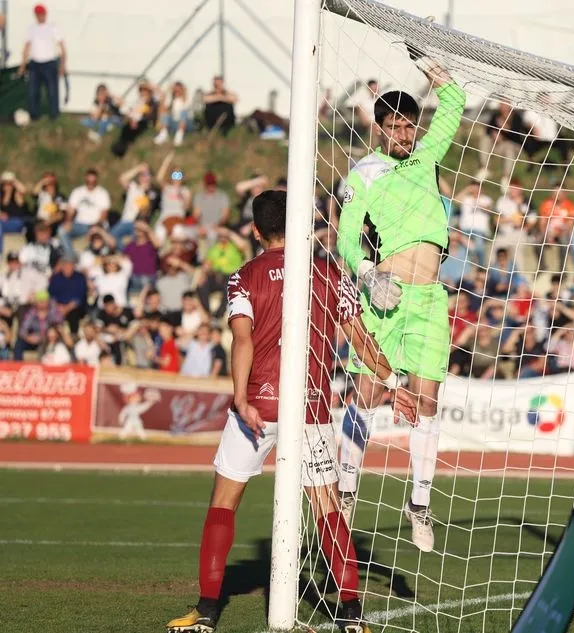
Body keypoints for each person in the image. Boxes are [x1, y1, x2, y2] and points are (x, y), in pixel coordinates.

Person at [166, 190, 415, 633]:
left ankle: (206, 611)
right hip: (310, 407)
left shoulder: (244, 276)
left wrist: (241, 398)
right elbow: (360, 338)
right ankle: (352, 614)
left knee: (224, 503)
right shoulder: (329, 274)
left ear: (255, 231)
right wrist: (395, 384)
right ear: (299, 223)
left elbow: (242, 340)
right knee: (327, 507)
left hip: (256, 406)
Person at [335, 50, 465, 552]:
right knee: (367, 396)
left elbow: (454, 101)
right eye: (395, 127)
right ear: (379, 128)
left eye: (410, 126)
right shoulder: (363, 174)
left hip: (429, 298)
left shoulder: (427, 156)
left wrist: (428, 61)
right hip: (385, 296)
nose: (404, 134)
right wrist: (367, 272)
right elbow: (347, 237)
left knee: (427, 402)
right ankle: (347, 490)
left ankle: (419, 504)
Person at [17, 3, 67, 121]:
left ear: (45, 14)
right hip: (35, 64)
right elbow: (26, 47)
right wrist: (23, 65)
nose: (40, 16)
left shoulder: (53, 28)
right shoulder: (31, 29)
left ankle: (54, 115)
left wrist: (62, 65)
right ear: (35, 15)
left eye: (42, 14)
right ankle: (34, 115)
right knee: (33, 91)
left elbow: (62, 47)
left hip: (49, 63)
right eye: (38, 14)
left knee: (52, 91)